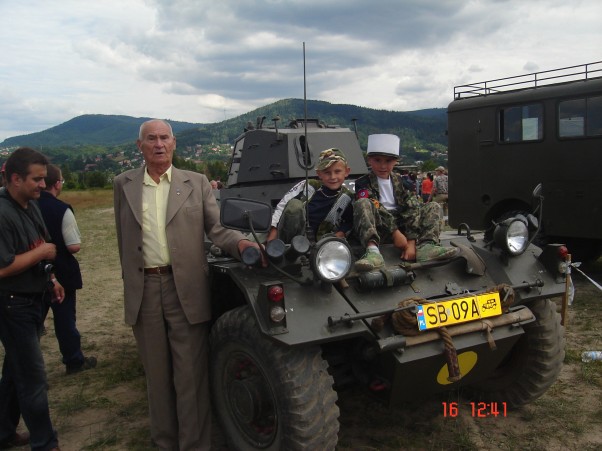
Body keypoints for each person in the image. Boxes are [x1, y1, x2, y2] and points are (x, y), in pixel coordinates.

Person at [113, 119, 263, 450]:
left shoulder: (195, 182)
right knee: (157, 376)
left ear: (174, 143)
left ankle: (194, 444)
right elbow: (124, 239)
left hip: (186, 288)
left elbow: (218, 229)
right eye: (150, 138)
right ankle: (164, 442)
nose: (158, 144)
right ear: (140, 146)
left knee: (190, 376)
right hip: (145, 290)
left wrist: (242, 245)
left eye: (164, 137)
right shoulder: (122, 183)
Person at [0, 147, 63, 451]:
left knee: (15, 372)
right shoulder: (1, 213)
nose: (43, 184)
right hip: (13, 304)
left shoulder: (30, 204)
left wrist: (52, 279)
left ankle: (3, 432)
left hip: (34, 298)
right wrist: (42, 253)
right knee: (33, 379)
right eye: (36, 179)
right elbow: (3, 267)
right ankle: (44, 443)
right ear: (15, 178)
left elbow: (39, 242)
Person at [353, 134, 457, 272]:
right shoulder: (363, 183)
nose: (383, 166)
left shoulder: (401, 182)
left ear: (395, 161)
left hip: (404, 227)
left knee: (433, 206)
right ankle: (373, 252)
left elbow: (412, 208)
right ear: (369, 160)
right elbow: (377, 207)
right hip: (379, 227)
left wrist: (411, 241)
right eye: (377, 160)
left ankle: (426, 246)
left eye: (388, 161)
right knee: (363, 203)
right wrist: (395, 233)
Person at [38, 164, 97, 375]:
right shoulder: (61, 208)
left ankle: (29, 368)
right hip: (60, 271)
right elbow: (73, 246)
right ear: (56, 184)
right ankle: (74, 360)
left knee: (34, 323)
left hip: (32, 274)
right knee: (64, 319)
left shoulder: (27, 205)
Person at [267, 148, 354, 243]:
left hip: (322, 240)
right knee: (295, 205)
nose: (332, 177)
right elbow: (281, 207)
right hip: (291, 236)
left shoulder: (346, 197)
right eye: (327, 172)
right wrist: (272, 237)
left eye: (337, 172)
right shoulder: (307, 186)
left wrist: (339, 234)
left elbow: (350, 221)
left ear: (346, 172)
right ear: (319, 174)